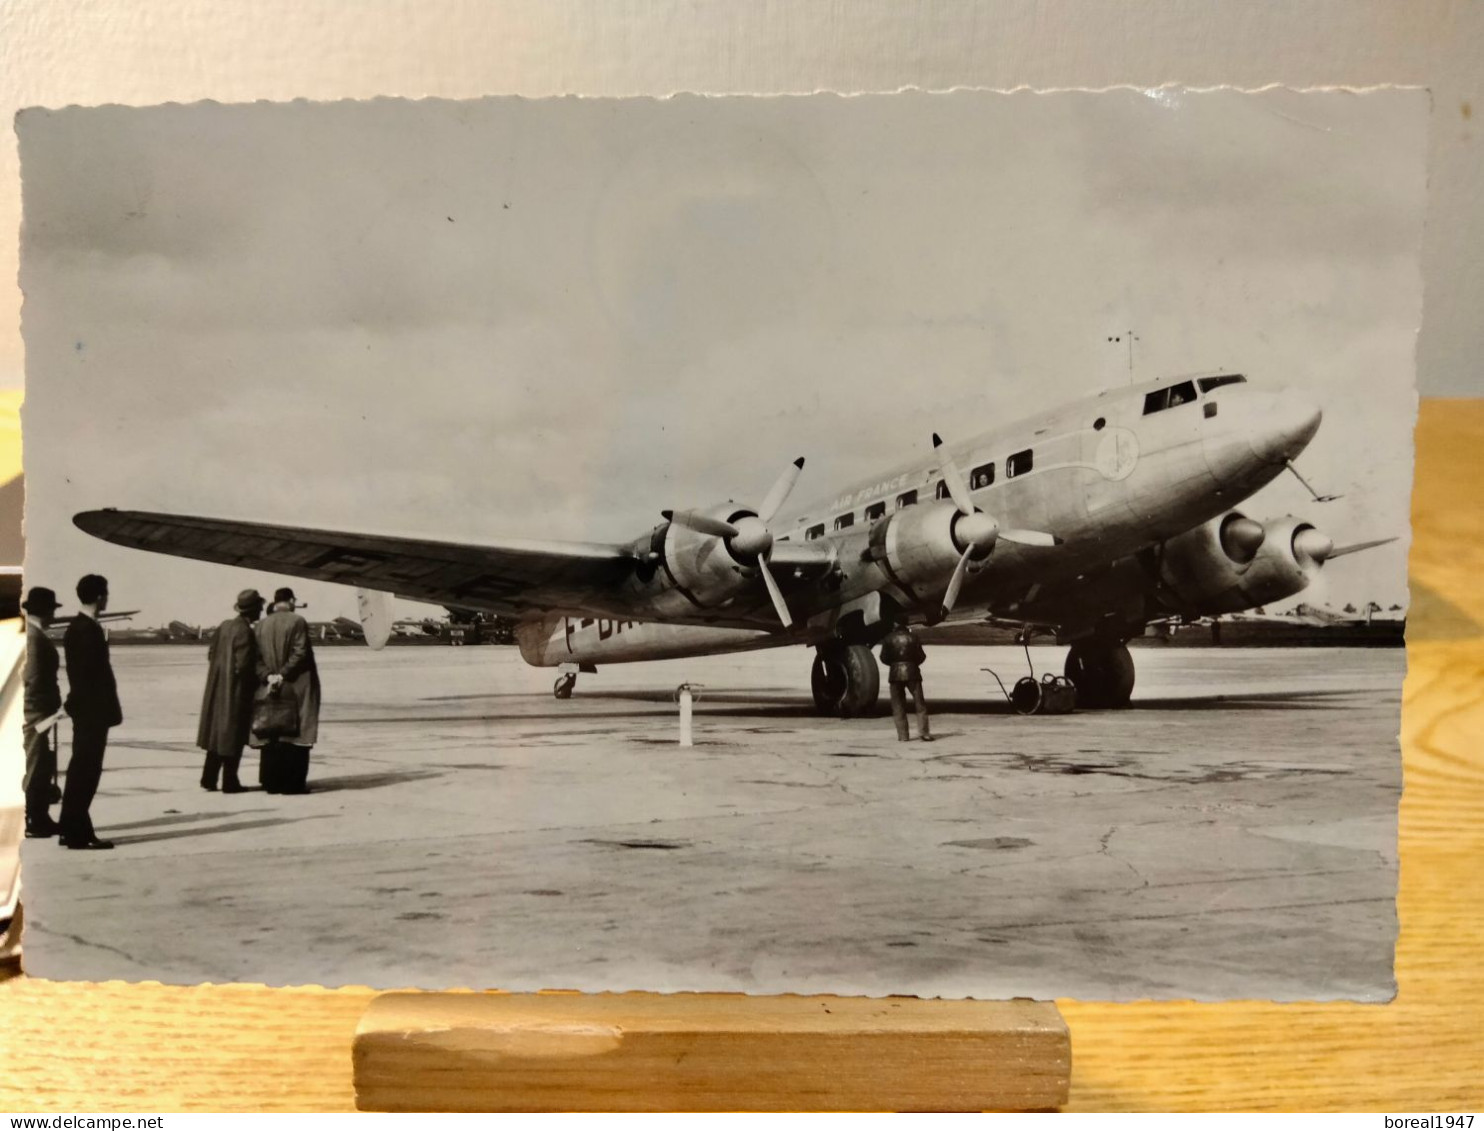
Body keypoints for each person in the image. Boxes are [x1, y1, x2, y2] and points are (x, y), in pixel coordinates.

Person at [59, 574, 122, 849]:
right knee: (86, 771)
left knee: (79, 770)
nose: (107, 598)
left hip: (87, 712)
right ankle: (77, 834)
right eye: (105, 594)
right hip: (91, 713)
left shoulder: (79, 627)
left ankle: (69, 828)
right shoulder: (87, 629)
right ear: (99, 596)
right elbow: (88, 677)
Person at [252, 587, 320, 795]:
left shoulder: (261, 624)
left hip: (269, 686)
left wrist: (269, 676)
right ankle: (294, 784)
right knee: (297, 735)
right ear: (291, 600)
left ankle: (270, 782)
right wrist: (283, 674)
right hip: (295, 685)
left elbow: (255, 658)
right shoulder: (297, 621)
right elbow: (300, 652)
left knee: (271, 732)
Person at [197, 589, 265, 793]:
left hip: (217, 689)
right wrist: (256, 684)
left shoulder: (224, 626)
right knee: (233, 736)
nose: (261, 611)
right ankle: (230, 781)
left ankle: (208, 779)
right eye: (259, 608)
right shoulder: (245, 631)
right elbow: (244, 666)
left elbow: (211, 653)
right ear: (253, 610)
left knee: (217, 735)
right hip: (235, 692)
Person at [21, 587, 64, 838]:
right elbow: (34, 678)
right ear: (46, 611)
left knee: (41, 763)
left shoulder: (33, 634)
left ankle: (39, 816)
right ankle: (34, 820)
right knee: (36, 765)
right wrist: (44, 711)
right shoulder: (35, 639)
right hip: (36, 713)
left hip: (36, 711)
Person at [879, 623, 933, 743]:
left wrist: (894, 664)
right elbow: (922, 656)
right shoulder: (914, 637)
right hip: (912, 672)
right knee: (920, 704)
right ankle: (924, 733)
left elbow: (883, 658)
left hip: (894, 674)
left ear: (895, 625)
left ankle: (903, 735)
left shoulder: (888, 638)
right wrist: (912, 663)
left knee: (898, 705)